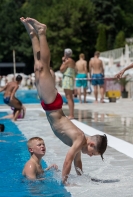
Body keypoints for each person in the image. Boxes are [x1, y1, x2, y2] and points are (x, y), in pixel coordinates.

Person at [20, 17, 107, 184]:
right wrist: (64, 181)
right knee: (43, 65)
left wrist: (83, 178)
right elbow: (68, 160)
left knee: (38, 65)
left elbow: (76, 161)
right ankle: (42, 31)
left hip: (50, 105)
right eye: (93, 153)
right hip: (52, 105)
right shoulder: (80, 139)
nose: (90, 155)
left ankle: (32, 33)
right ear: (91, 145)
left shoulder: (80, 141)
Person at [60, 49, 75, 119]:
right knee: (70, 97)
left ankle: (71, 115)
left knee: (69, 97)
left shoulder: (67, 61)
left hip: (67, 79)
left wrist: (63, 61)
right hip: (70, 78)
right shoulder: (72, 61)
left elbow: (61, 69)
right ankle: (71, 114)